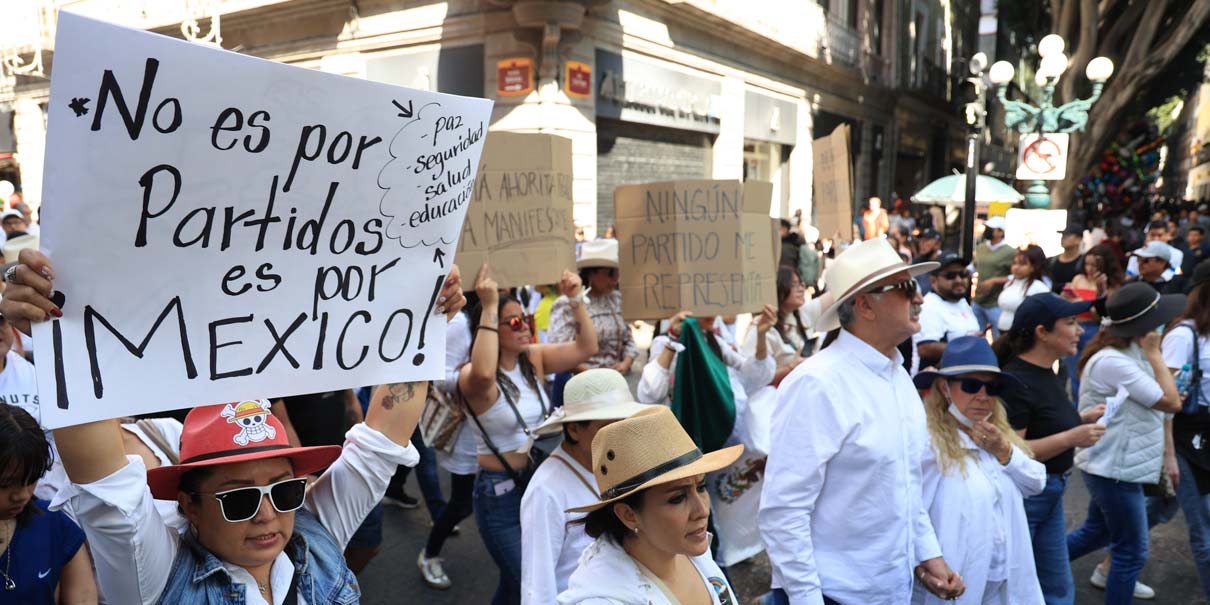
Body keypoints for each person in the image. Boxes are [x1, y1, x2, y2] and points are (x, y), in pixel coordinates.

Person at [0, 248, 467, 604]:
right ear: (190, 507)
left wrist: (424, 314)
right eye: (238, 498)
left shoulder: (312, 533)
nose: (268, 514)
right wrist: (57, 323)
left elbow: (384, 435)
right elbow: (101, 476)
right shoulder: (157, 576)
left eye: (285, 491)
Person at [760, 238, 964, 604]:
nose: (919, 298)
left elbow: (906, 486)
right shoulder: (817, 384)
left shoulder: (897, 376)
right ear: (865, 304)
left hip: (890, 590)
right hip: (834, 594)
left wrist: (927, 555)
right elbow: (784, 510)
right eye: (905, 288)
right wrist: (808, 600)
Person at [461, 265, 598, 605]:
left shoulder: (532, 359)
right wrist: (490, 305)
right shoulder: (472, 377)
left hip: (536, 485)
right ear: (490, 328)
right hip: (498, 496)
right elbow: (482, 371)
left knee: (516, 585)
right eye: (515, 322)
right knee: (529, 581)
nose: (525, 326)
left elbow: (587, 347)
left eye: (526, 318)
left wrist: (575, 297)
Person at [1068, 282, 1185, 605]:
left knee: (1098, 532)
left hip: (1116, 464)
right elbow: (1170, 402)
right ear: (1142, 326)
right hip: (1114, 468)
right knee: (1131, 552)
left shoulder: (1126, 352)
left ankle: (1036, 565)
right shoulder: (1114, 360)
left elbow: (1162, 395)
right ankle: (1038, 567)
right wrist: (1154, 352)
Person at [558, 406, 743, 605]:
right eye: (677, 498)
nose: (702, 511)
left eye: (701, 487)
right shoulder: (604, 599)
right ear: (628, 515)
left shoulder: (685, 550)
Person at [911, 336, 1046, 604]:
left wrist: (1004, 452)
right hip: (955, 582)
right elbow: (910, 514)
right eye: (971, 385)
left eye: (992, 388)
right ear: (944, 388)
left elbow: (1036, 483)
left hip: (1003, 582)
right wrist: (924, 568)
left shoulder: (998, 437)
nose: (983, 396)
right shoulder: (927, 443)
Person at [994, 293, 1108, 605]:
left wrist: (1081, 419)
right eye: (1070, 323)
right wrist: (1073, 436)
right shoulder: (1015, 380)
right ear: (1042, 333)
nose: (1080, 330)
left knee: (1057, 589)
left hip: (1050, 493)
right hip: (1027, 499)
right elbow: (1011, 453)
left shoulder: (1049, 370)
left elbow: (1044, 420)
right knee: (1015, 591)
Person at [520, 369, 649, 605]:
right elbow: (537, 587)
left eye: (624, 424)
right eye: (607, 427)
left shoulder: (619, 463)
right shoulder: (546, 491)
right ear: (574, 430)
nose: (619, 435)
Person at [0, 403, 97, 604]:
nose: (21, 495)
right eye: (6, 485)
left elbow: (83, 597)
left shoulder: (54, 524)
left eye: (32, 479)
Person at [1153, 260, 1210, 599]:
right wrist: (1169, 455)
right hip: (1185, 439)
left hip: (1204, 438)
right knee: (1202, 529)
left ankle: (1117, 549)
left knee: (1158, 509)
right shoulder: (1182, 335)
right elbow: (1166, 399)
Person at [417, 301, 476, 590]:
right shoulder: (461, 324)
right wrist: (476, 374)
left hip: (500, 430)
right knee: (463, 503)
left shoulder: (501, 312)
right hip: (468, 430)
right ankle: (429, 554)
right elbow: (440, 377)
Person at [548, 239, 638, 375]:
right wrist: (593, 374)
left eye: (618, 272)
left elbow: (628, 338)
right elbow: (559, 350)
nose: (616, 279)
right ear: (592, 273)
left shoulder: (617, 299)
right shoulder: (567, 304)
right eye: (611, 273)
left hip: (616, 383)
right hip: (581, 384)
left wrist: (626, 362)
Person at [743, 268, 833, 379]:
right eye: (794, 285)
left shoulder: (801, 313)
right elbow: (751, 378)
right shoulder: (762, 326)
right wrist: (790, 368)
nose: (801, 289)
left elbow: (835, 295)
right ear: (778, 290)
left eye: (801, 284)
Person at [1063, 245, 1125, 399]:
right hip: (1076, 326)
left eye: (1094, 265)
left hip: (1095, 329)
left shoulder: (1110, 284)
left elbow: (1101, 312)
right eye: (1087, 264)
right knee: (1074, 374)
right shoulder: (1078, 279)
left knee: (1091, 373)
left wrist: (1079, 301)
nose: (1089, 268)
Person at [915, 251, 980, 368]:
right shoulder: (929, 306)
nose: (959, 280)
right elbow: (925, 349)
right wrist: (969, 347)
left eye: (963, 274)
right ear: (933, 281)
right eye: (950, 276)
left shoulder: (961, 301)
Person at [973, 216, 1015, 337]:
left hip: (996, 303)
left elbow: (1015, 276)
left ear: (1000, 232)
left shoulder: (1009, 252)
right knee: (976, 336)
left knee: (998, 338)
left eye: (991, 228)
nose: (988, 230)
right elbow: (975, 266)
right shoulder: (981, 248)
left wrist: (994, 281)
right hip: (978, 300)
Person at [997, 245, 1051, 333]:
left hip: (1022, 334)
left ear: (1033, 267)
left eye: (1022, 264)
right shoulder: (1009, 284)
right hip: (1003, 331)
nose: (1016, 267)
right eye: (1015, 263)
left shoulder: (1039, 287)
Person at [1048, 226, 1085, 294]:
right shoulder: (1051, 261)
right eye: (1062, 235)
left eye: (1067, 235)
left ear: (1079, 239)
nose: (1063, 237)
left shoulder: (1084, 262)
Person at [913, 229, 943, 295]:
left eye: (926, 240)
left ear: (937, 244)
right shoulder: (916, 263)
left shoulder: (946, 262)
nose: (921, 244)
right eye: (921, 240)